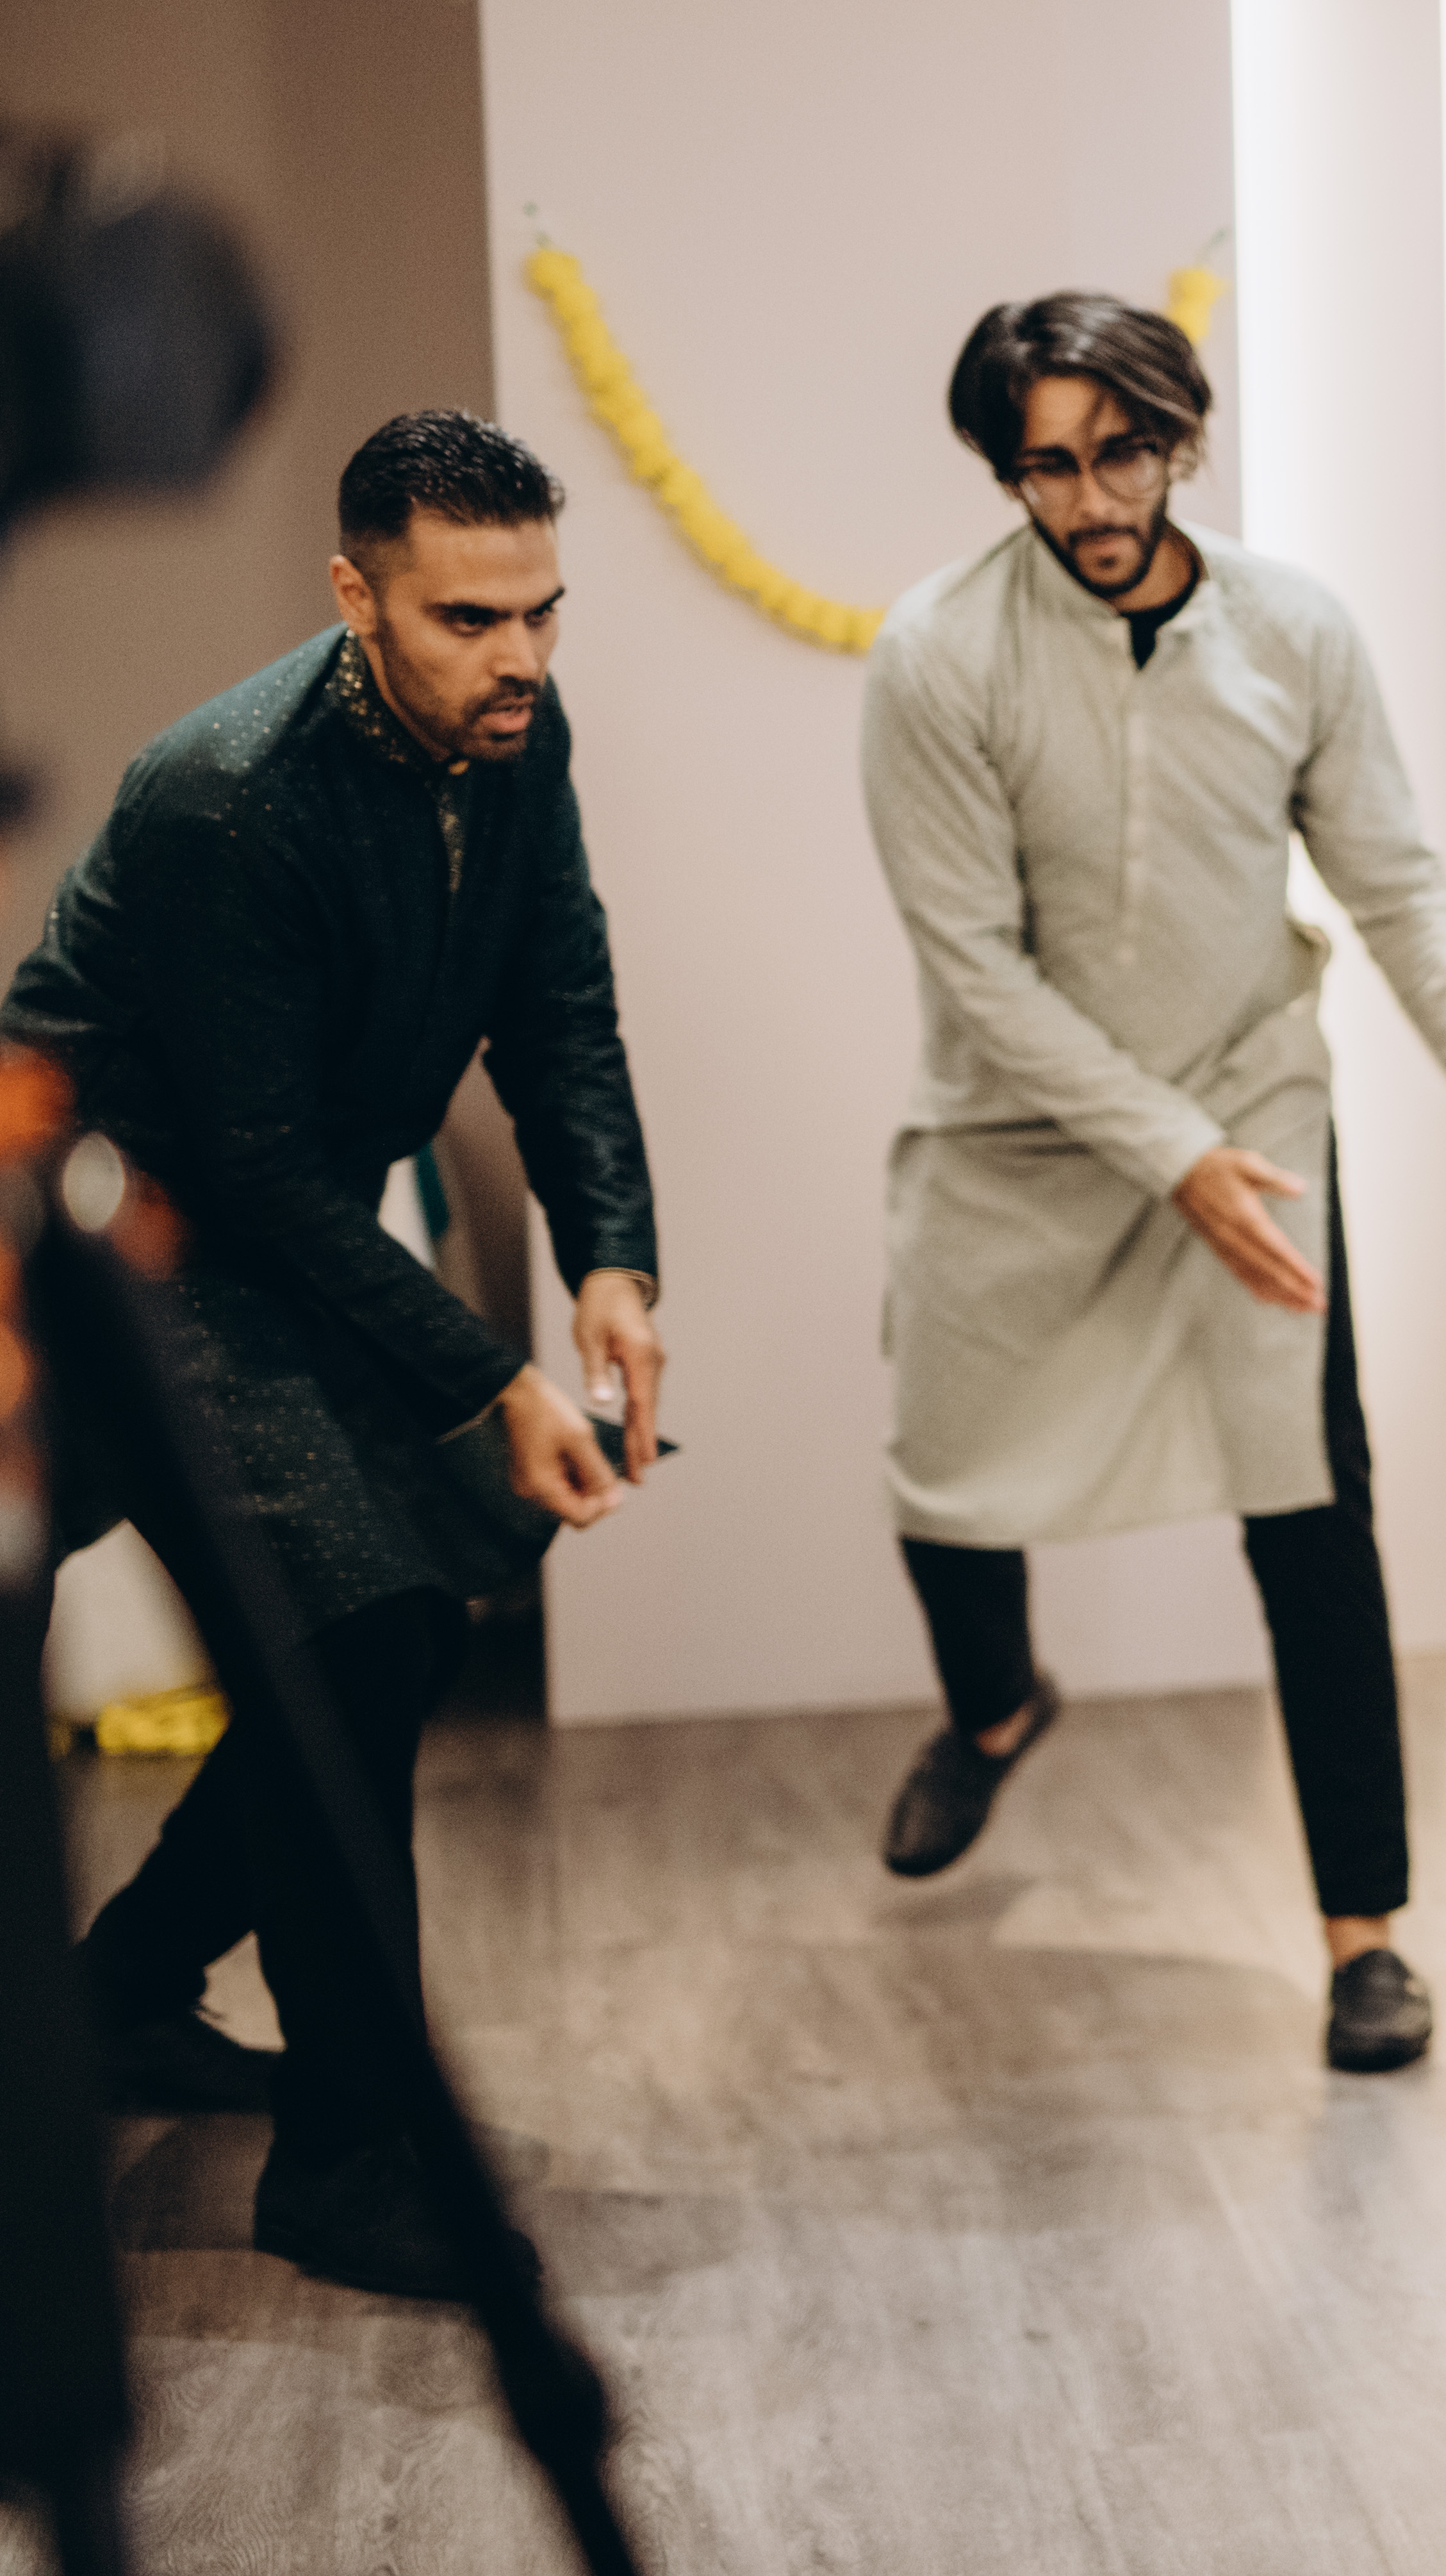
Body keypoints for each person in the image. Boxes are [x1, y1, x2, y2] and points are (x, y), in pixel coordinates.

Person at [6, 410, 659, 2297]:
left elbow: (560, 1008)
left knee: (384, 1635)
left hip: (257, 1230)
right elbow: (259, 1171)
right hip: (107, 1244)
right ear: (356, 597)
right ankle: (349, 2164)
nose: (520, 656)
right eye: (469, 617)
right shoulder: (228, 796)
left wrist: (611, 1260)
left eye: (542, 610)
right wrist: (492, 1378)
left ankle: (126, 1991)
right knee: (359, 1635)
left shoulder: (515, 733)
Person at [859, 293, 1446, 2076]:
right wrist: (1162, 1152)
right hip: (1018, 1127)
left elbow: (1396, 890)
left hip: (1249, 1105)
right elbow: (972, 966)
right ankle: (995, 1709)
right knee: (943, 1479)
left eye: (1121, 453)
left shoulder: (1295, 631)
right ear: (1006, 472)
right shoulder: (937, 654)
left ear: (1179, 440)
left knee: (1310, 1512)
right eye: (1045, 466)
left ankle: (1366, 1938)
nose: (1090, 499)